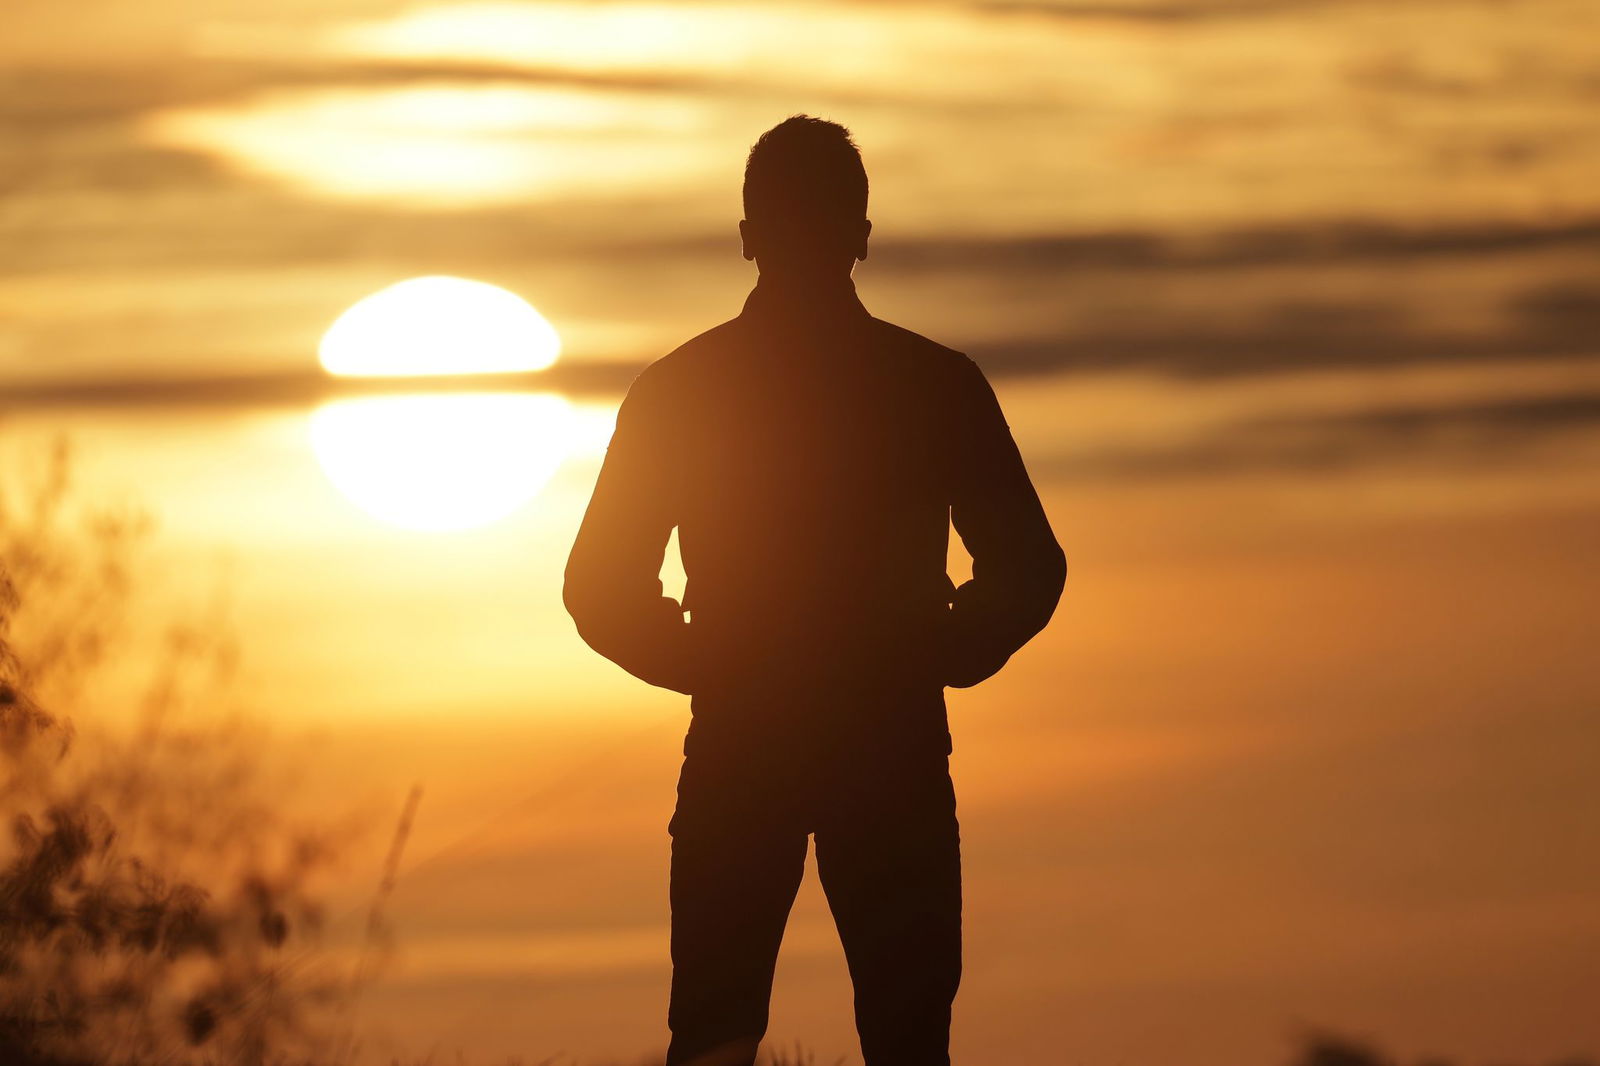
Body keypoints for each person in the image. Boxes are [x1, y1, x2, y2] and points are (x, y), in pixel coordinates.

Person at [564, 115, 1065, 1066]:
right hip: (881, 748)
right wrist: (944, 650)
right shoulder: (933, 385)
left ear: (748, 235)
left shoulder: (683, 390)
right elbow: (1030, 570)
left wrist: (715, 663)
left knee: (723, 1036)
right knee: (893, 1038)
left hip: (765, 747)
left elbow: (598, 588)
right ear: (862, 235)